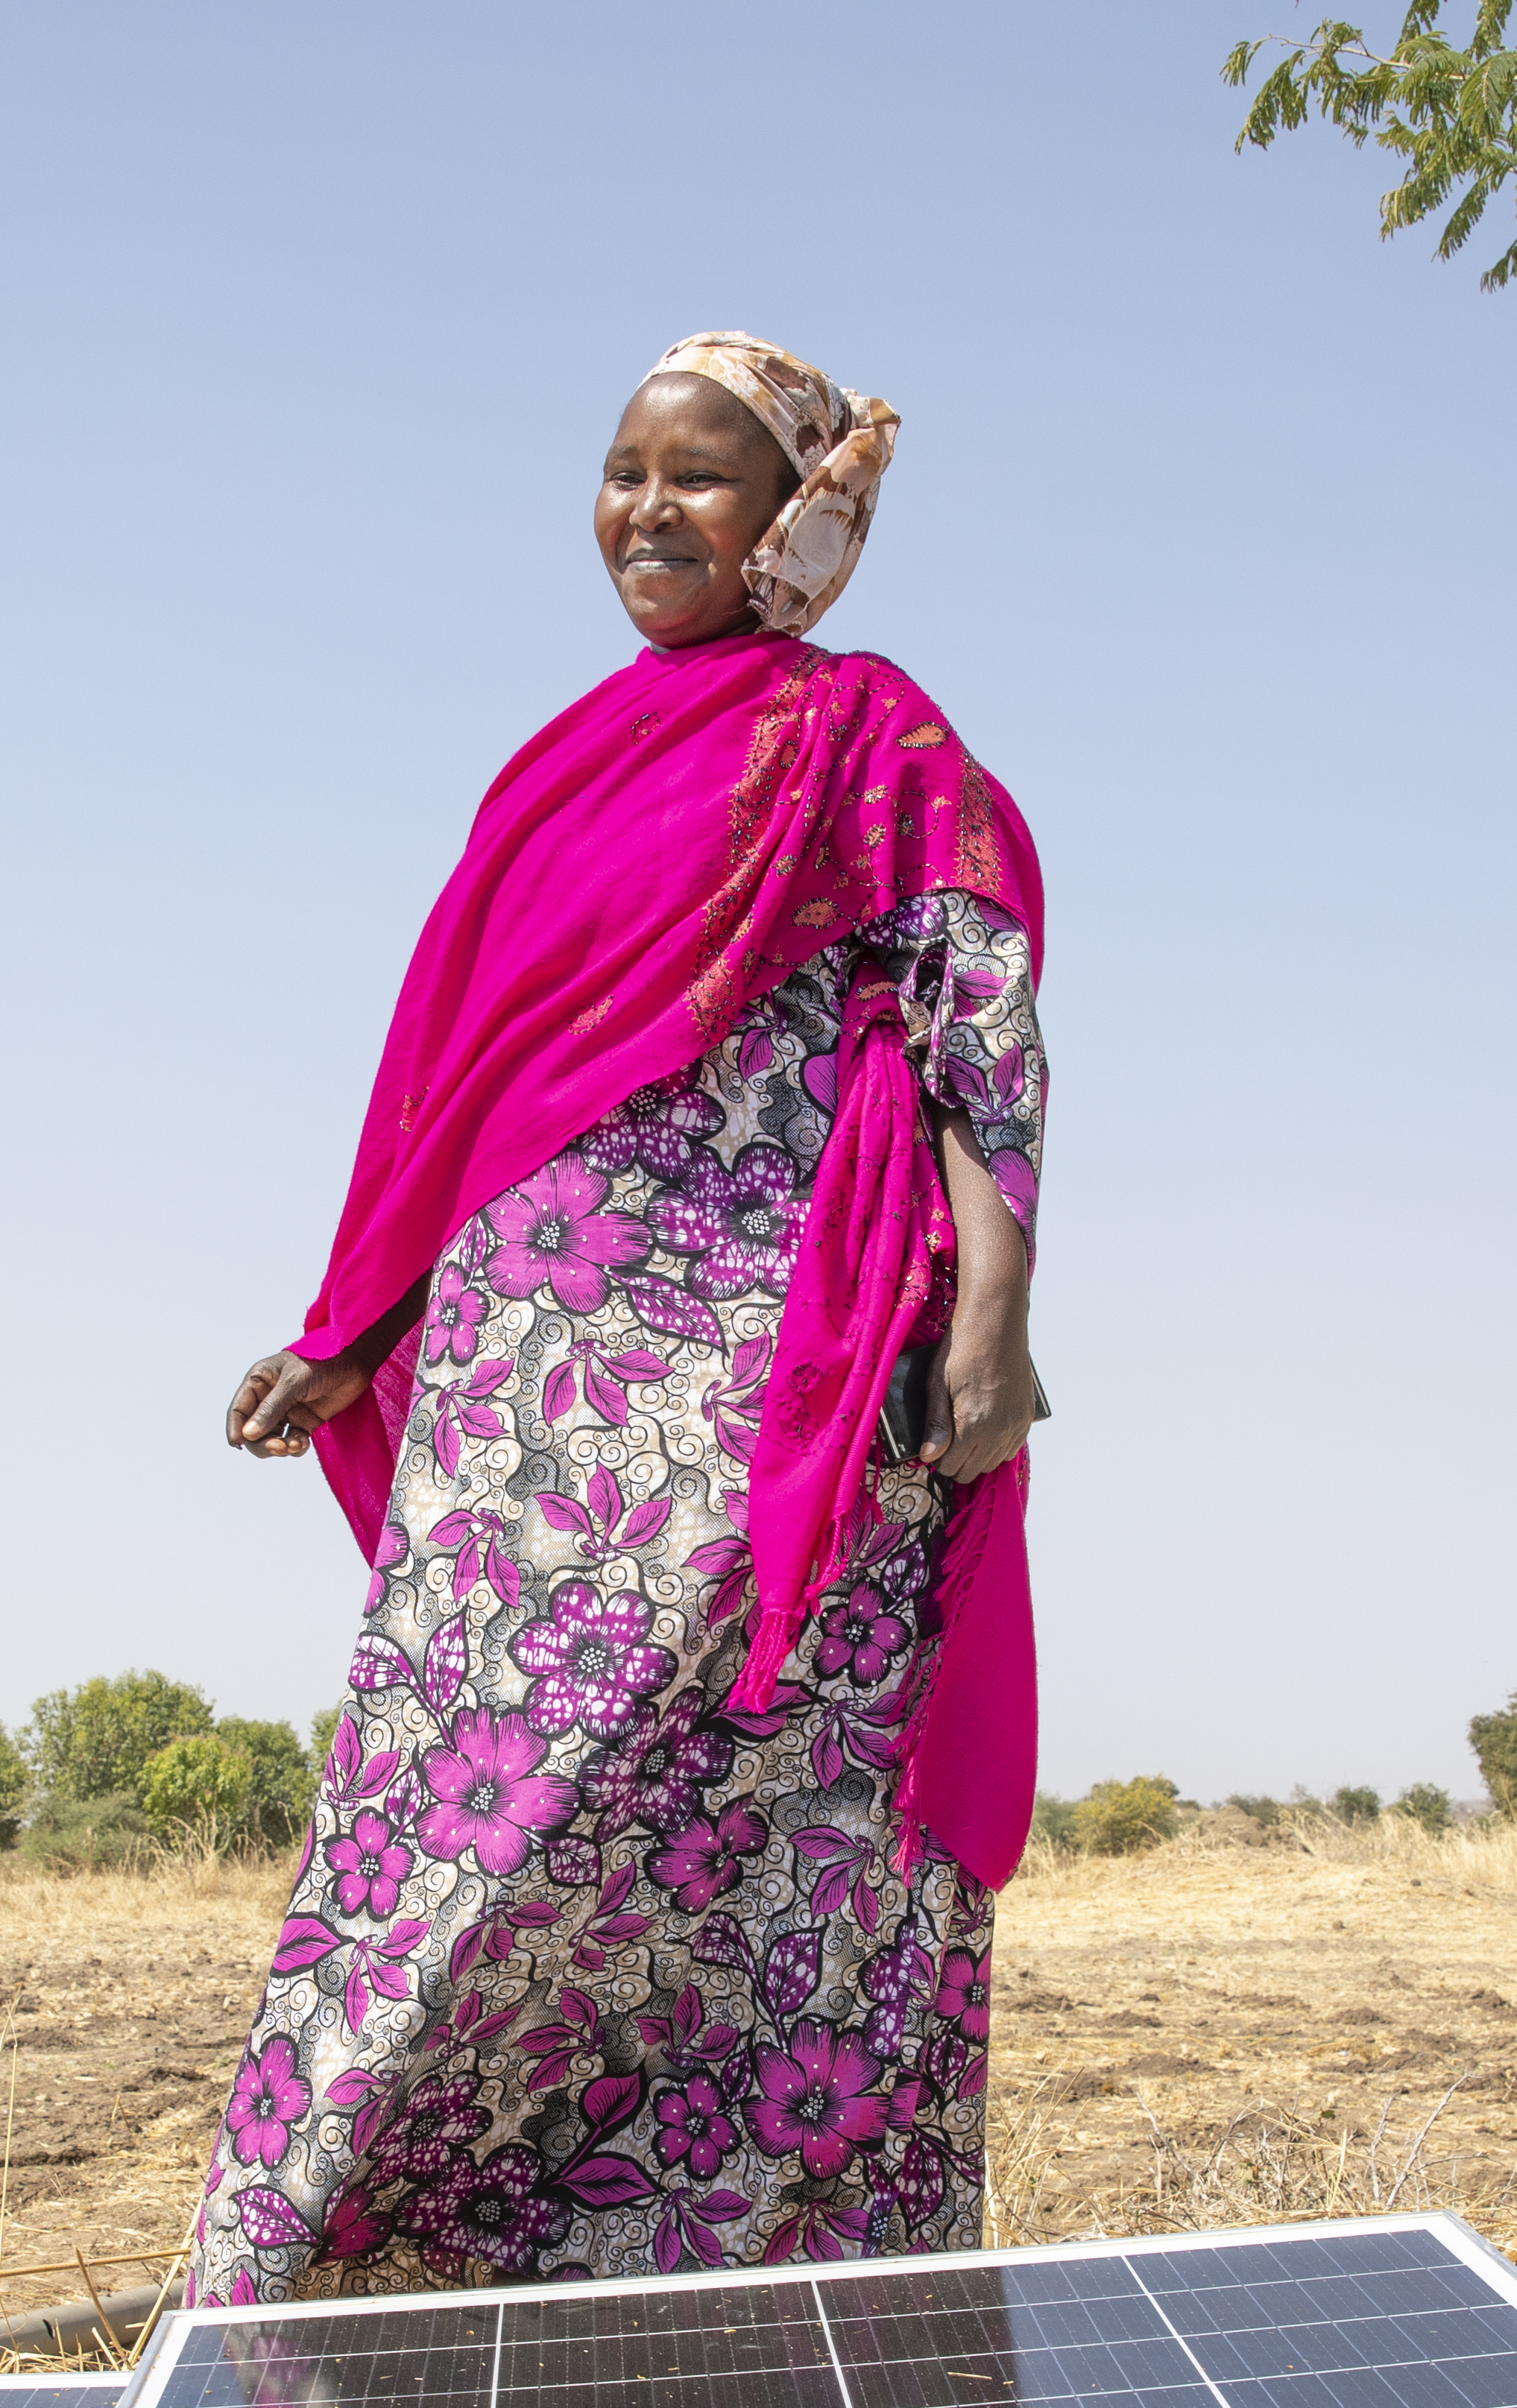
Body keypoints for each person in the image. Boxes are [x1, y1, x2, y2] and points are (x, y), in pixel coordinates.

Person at [186, 331, 1049, 2307]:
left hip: (795, 1363)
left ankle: (776, 2267)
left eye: (707, 478)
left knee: (787, 1812)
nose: (651, 512)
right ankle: (333, 2254)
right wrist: (353, 1319)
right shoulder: (560, 766)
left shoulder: (877, 737)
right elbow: (457, 1076)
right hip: (528, 1370)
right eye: (624, 470)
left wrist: (992, 1310)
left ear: (799, 520)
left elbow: (977, 1022)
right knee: (457, 1805)